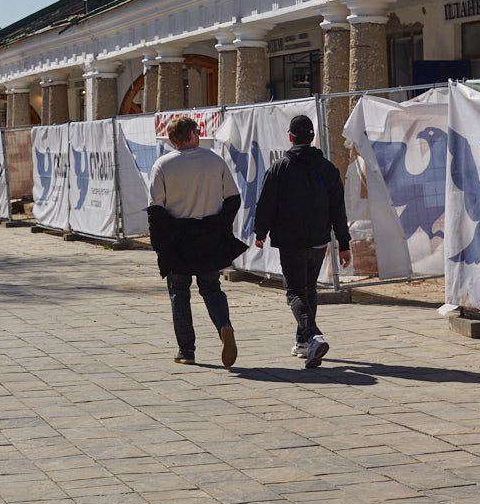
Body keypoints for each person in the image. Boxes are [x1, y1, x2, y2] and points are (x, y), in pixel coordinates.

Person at [253, 114, 352, 369]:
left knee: (296, 292)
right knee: (308, 291)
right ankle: (303, 343)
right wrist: (344, 243)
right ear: (312, 137)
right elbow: (338, 209)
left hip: (291, 241)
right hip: (318, 241)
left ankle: (313, 336)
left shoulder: (279, 168)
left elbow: (266, 204)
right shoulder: (328, 169)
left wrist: (260, 232)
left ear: (290, 137)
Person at [147, 115, 244, 367]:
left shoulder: (162, 165)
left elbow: (155, 211)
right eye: (197, 131)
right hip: (209, 234)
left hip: (177, 237)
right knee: (211, 287)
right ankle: (224, 325)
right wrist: (221, 224)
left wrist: (159, 246)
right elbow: (233, 198)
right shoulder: (214, 160)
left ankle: (186, 350)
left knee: (179, 293)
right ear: (191, 134)